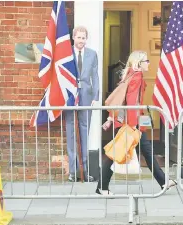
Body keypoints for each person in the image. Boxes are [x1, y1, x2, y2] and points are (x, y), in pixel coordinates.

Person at [96, 50, 177, 195]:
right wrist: (133, 126)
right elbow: (132, 103)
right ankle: (101, 187)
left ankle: (164, 181)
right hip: (130, 123)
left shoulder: (130, 75)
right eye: (146, 61)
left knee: (144, 150)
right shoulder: (137, 76)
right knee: (115, 153)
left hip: (129, 121)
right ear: (138, 63)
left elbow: (123, 100)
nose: (148, 63)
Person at [66, 26, 99, 182]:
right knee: (71, 131)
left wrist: (96, 95)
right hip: (70, 95)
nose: (81, 41)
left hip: (86, 94)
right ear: (73, 37)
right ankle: (73, 172)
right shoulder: (66, 53)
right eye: (78, 37)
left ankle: (84, 171)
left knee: (84, 130)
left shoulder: (92, 54)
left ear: (86, 39)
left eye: (83, 38)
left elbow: (95, 76)